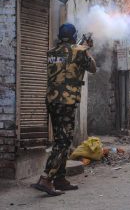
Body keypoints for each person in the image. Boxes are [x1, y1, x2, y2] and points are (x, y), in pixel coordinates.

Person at [31, 23, 96, 196]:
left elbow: (66, 63)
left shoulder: (51, 52)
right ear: (74, 36)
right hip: (67, 101)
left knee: (61, 138)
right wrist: (87, 48)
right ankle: (46, 178)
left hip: (52, 101)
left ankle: (60, 179)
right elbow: (92, 68)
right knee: (63, 141)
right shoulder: (80, 51)